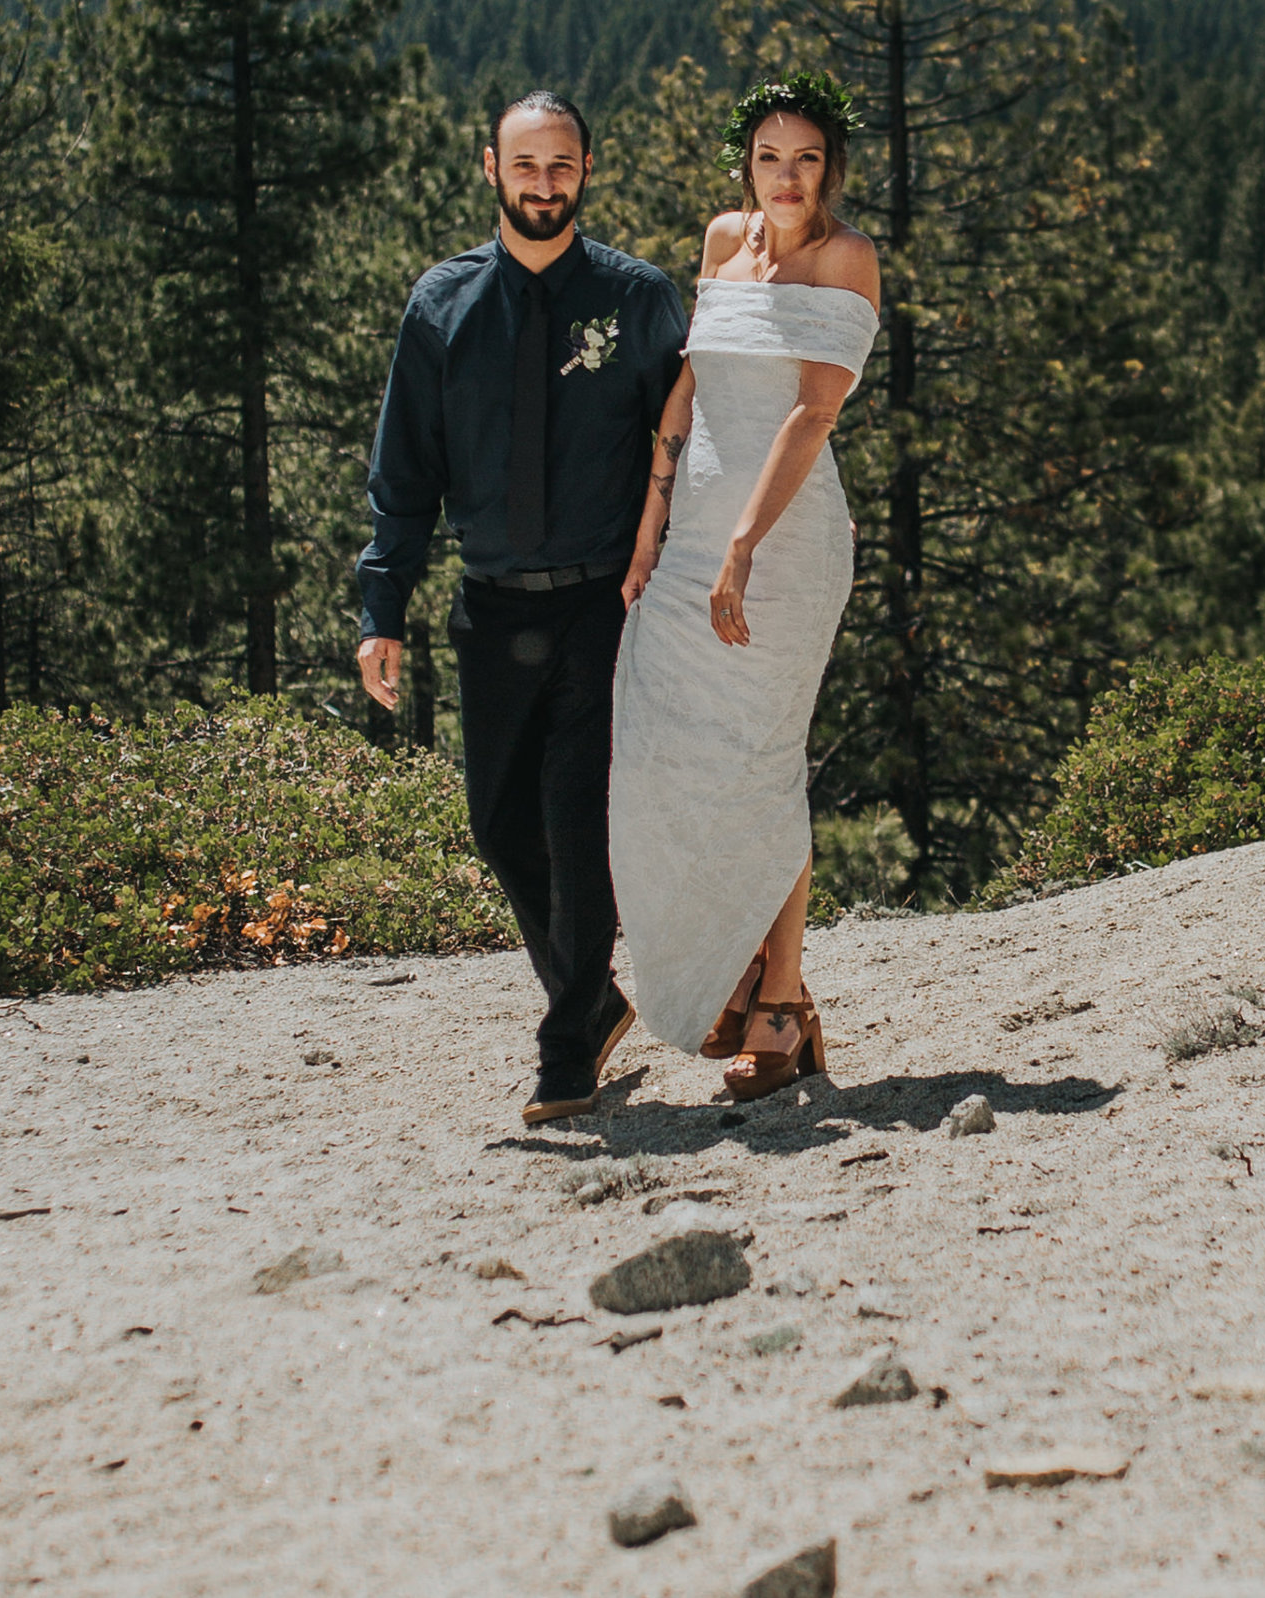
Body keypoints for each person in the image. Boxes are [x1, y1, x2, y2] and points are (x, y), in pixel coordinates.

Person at [357, 88, 689, 1127]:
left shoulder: (637, 300)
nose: (542, 183)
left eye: (561, 165)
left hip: (604, 605)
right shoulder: (441, 306)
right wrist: (382, 606)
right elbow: (403, 471)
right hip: (488, 608)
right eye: (524, 165)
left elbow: (682, 451)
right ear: (489, 169)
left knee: (575, 824)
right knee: (498, 827)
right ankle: (592, 999)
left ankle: (564, 1050)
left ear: (587, 170)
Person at [608, 68, 880, 1099]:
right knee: (670, 754)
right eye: (770, 156)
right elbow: (689, 382)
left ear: (832, 170)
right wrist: (653, 522)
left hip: (783, 548)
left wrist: (742, 548)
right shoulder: (726, 241)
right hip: (689, 548)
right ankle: (730, 967)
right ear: (746, 165)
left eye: (806, 159)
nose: (787, 176)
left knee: (763, 764)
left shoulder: (846, 257)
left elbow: (811, 414)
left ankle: (780, 994)